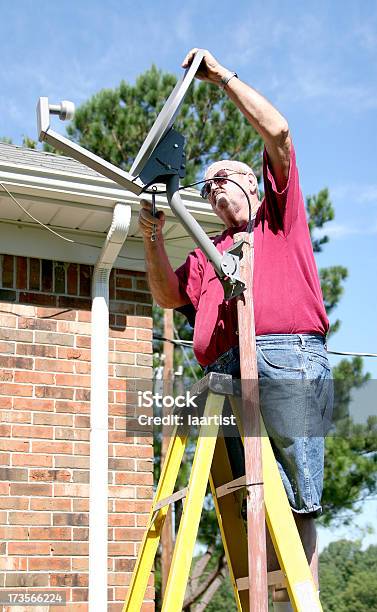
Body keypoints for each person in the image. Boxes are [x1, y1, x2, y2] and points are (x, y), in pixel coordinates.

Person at [138, 48, 333, 610]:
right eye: (205, 187)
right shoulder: (209, 249)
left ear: (253, 184)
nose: (212, 188)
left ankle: (305, 595)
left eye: (222, 178)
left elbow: (280, 132)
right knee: (249, 499)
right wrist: (152, 235)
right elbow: (167, 295)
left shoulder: (279, 215)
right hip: (221, 376)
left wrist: (220, 76)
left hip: (286, 357)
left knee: (299, 500)